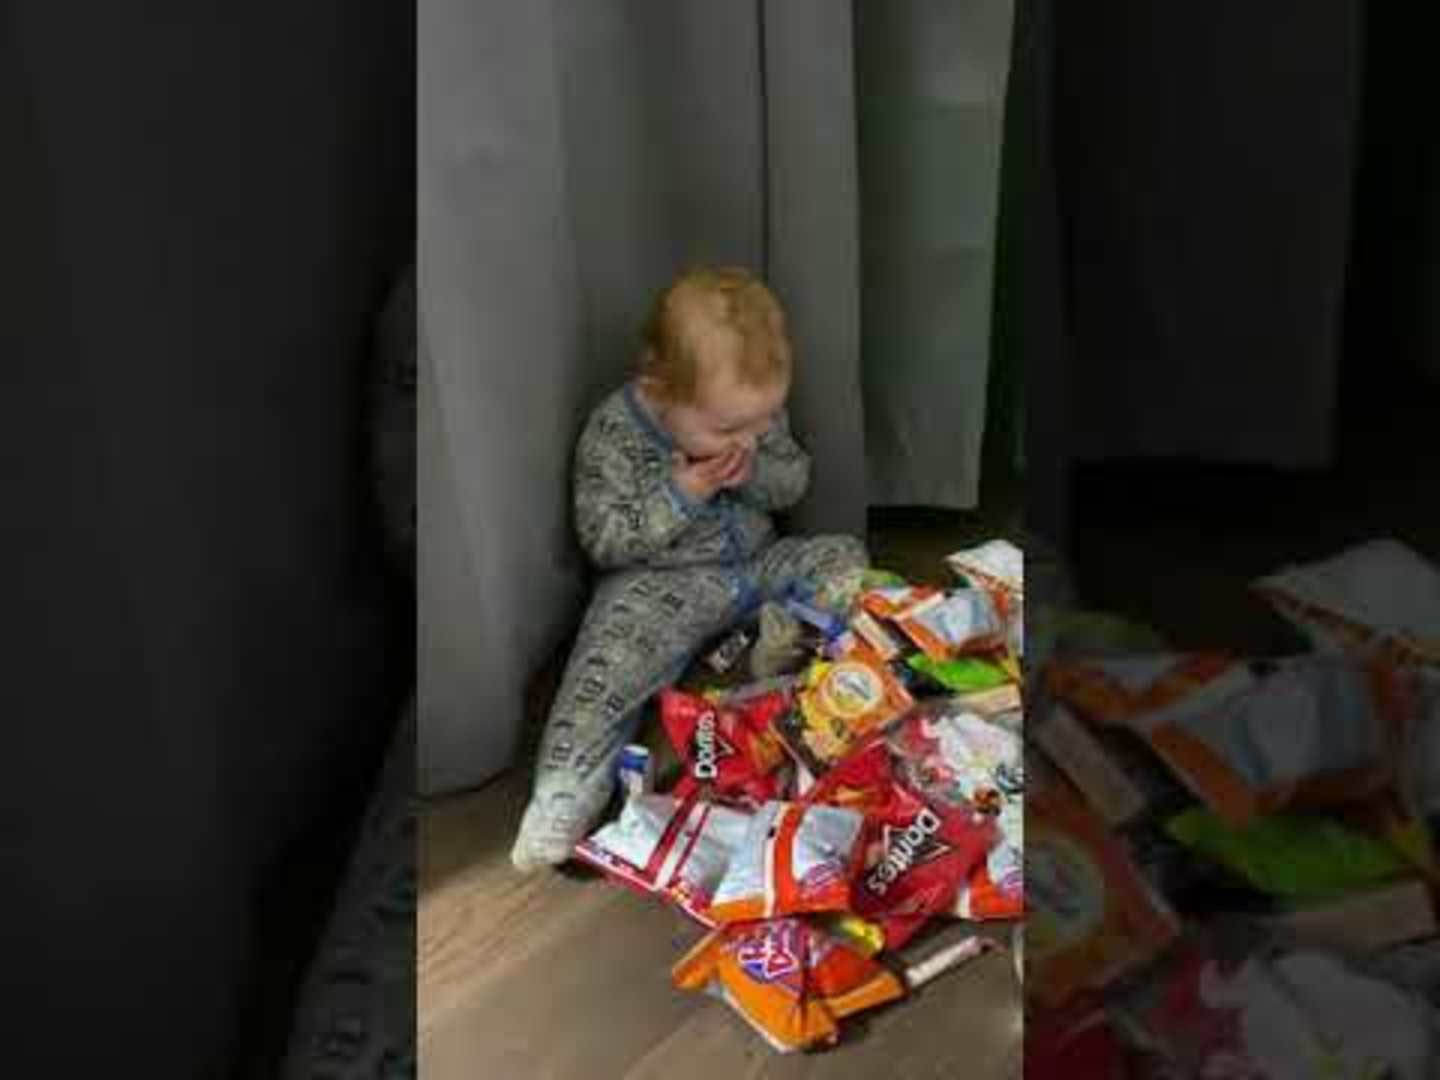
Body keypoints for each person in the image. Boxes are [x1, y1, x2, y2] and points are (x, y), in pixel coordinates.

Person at [511, 266, 867, 870]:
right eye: (730, 429)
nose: (749, 438)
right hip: (656, 587)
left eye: (763, 421)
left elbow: (792, 481)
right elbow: (603, 541)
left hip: (754, 566)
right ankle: (561, 802)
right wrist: (681, 494)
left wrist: (755, 471)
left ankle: (781, 654)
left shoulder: (748, 415)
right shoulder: (615, 431)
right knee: (602, 675)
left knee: (843, 557)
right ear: (660, 386)